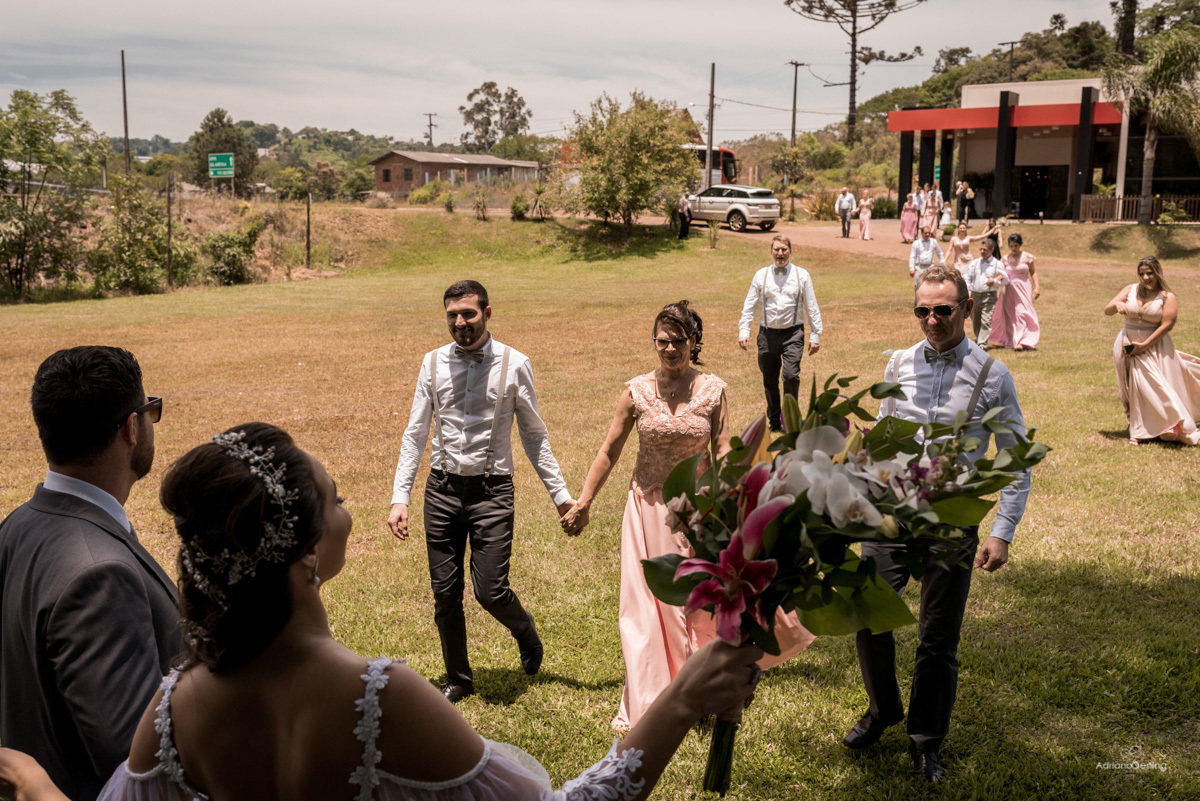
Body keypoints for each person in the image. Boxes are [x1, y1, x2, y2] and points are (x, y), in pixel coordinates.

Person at [0, 424, 766, 801]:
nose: (347, 510)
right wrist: (683, 697)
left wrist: (41, 791)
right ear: (303, 553)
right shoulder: (380, 698)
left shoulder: (172, 711)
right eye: (334, 499)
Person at [562, 302, 813, 731]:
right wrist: (584, 501)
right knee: (647, 607)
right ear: (654, 341)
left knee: (701, 604)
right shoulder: (636, 391)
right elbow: (610, 450)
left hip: (698, 510)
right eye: (663, 339)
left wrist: (727, 503)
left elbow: (722, 451)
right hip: (647, 507)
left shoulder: (713, 390)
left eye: (680, 340)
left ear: (694, 342)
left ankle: (703, 690)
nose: (671, 347)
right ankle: (655, 697)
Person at [847, 266, 1030, 782]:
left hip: (951, 519)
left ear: (966, 309)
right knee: (869, 616)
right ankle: (883, 710)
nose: (931, 319)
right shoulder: (899, 362)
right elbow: (883, 435)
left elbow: (1015, 458)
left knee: (937, 638)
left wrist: (1003, 530)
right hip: (892, 511)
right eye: (922, 310)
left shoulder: (993, 376)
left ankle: (926, 742)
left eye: (943, 310)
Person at [0, 346, 180, 801]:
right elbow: (136, 767)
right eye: (149, 411)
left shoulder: (17, 525)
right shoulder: (100, 576)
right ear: (131, 428)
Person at [387, 280, 575, 703]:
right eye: (453, 315)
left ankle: (524, 628)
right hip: (441, 490)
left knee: (490, 591)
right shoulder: (432, 363)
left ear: (488, 313)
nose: (460, 323)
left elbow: (534, 436)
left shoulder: (515, 363)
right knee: (444, 594)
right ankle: (459, 679)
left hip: (492, 493)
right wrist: (400, 496)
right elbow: (415, 434)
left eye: (469, 314)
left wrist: (561, 496)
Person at [1106, 257, 1200, 445]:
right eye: (1141, 273)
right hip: (1127, 343)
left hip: (1155, 345)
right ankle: (1140, 425)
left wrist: (1144, 345)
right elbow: (1107, 310)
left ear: (1157, 273)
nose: (1145, 277)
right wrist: (1116, 305)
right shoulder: (1130, 289)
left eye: (1149, 273)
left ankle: (1146, 430)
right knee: (1131, 387)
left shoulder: (1167, 296)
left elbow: (1167, 325)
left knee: (1154, 386)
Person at [737, 235, 824, 432]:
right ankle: (775, 423)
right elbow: (749, 305)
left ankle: (791, 419)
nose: (780, 254)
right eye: (776, 249)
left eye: (784, 249)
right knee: (770, 380)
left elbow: (811, 305)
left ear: (790, 251)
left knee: (791, 376)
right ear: (771, 251)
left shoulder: (802, 275)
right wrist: (744, 331)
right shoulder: (761, 276)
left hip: (793, 334)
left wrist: (815, 334)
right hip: (767, 335)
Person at [990, 233, 1041, 351]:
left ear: (1021, 245)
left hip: (1024, 288)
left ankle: (1025, 339)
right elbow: (999, 274)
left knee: (1023, 312)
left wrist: (1037, 287)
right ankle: (1016, 341)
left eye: (1016, 246)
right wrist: (997, 279)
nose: (1013, 248)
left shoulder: (1028, 257)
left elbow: (1033, 272)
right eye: (1011, 246)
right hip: (1008, 291)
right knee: (1010, 315)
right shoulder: (1005, 259)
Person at [963, 239, 1007, 348]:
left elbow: (1006, 280)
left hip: (989, 296)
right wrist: (968, 288)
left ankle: (982, 345)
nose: (982, 251)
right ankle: (978, 339)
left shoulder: (997, 264)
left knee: (986, 320)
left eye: (985, 249)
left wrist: (995, 281)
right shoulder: (975, 262)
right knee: (976, 320)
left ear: (992, 250)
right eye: (981, 249)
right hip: (975, 295)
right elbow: (966, 276)